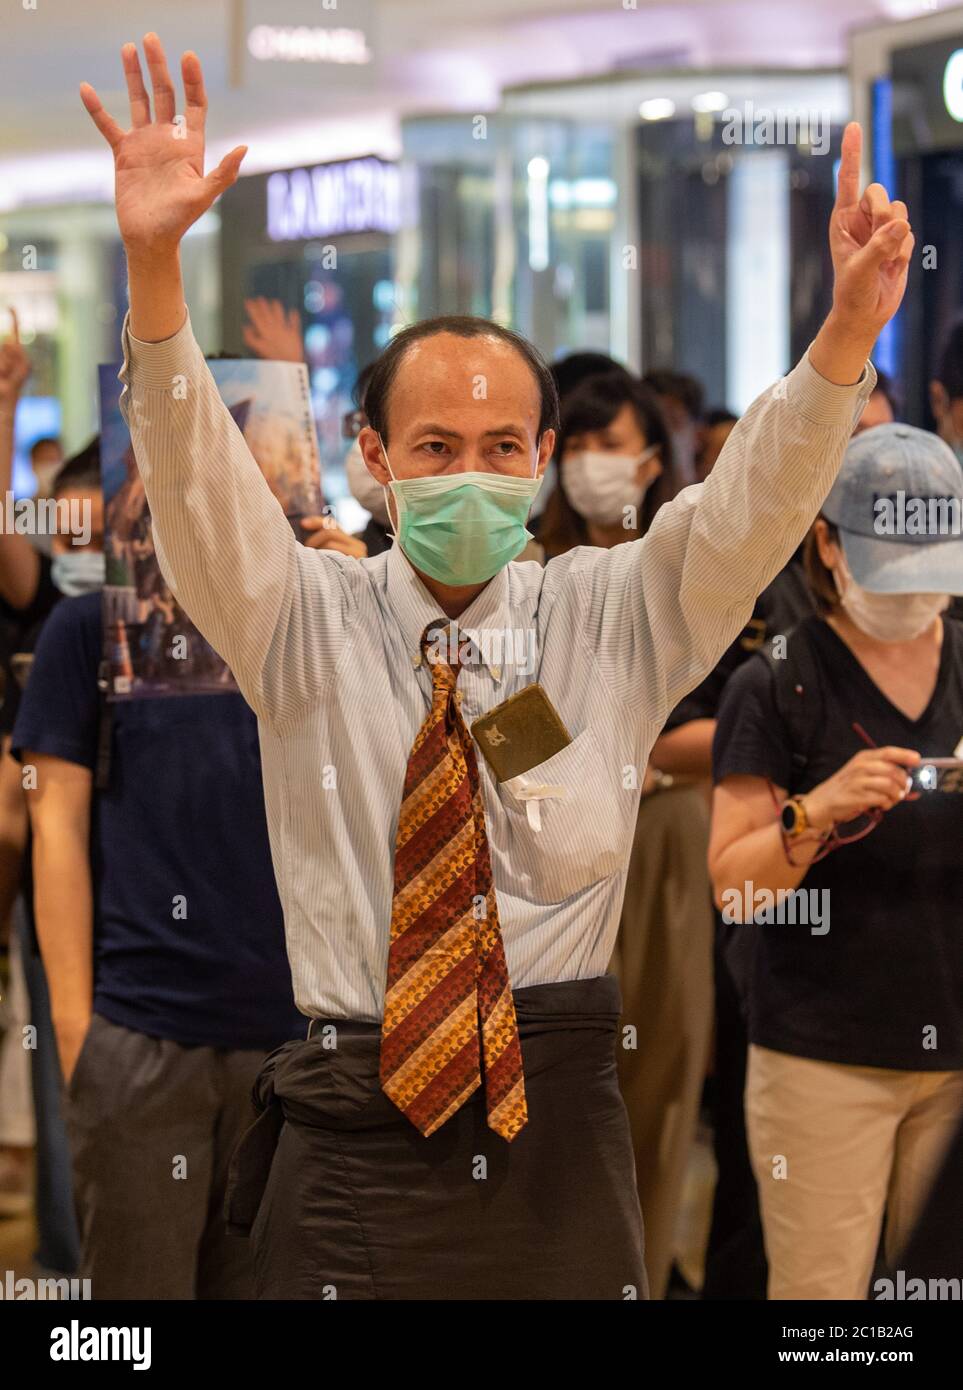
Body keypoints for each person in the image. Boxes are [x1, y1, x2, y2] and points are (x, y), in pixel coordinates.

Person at [81, 32, 912, 1299]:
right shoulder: (300, 618)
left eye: (501, 443)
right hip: (351, 1108)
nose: (469, 470)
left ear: (539, 463)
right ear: (373, 457)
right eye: (434, 443)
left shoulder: (611, 616)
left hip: (554, 1110)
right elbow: (198, 497)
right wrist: (153, 267)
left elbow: (740, 512)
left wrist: (844, 340)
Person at [709, 423, 963, 1300]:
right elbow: (734, 890)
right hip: (823, 1056)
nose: (913, 592)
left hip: (954, 1052)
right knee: (825, 1309)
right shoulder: (777, 681)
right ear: (826, 544)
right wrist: (814, 810)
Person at [539, 367, 712, 1296]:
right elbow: (505, 712)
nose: (590, 465)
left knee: (661, 1065)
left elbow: (738, 718)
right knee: (558, 1064)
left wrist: (634, 750)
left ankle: (637, 1276)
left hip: (664, 829)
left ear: (652, 459)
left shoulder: (687, 567)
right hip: (546, 829)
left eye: (609, 446)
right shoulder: (527, 566)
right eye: (573, 445)